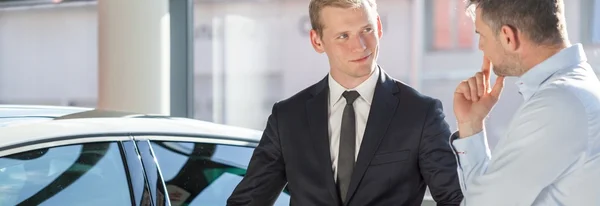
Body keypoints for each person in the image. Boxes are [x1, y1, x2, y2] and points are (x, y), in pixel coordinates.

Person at [226, 0, 463, 205]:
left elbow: (455, 198)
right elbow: (246, 202)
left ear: (379, 27)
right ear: (317, 41)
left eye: (366, 30)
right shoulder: (288, 117)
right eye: (343, 36)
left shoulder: (420, 113)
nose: (359, 46)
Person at [452, 0, 600, 205]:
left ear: (508, 37)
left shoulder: (557, 106)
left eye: (481, 35)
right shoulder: (574, 90)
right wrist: (471, 126)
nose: (481, 46)